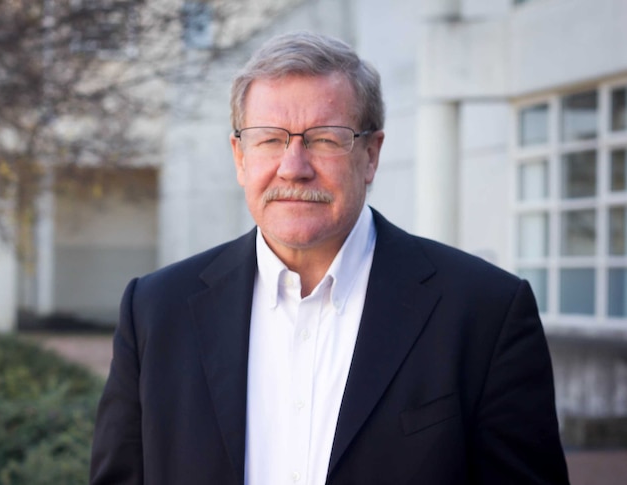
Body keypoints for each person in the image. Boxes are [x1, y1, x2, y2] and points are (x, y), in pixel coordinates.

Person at [90, 31, 569, 485]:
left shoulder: (484, 313)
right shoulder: (155, 310)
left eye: (324, 138)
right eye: (270, 139)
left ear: (371, 155)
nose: (294, 167)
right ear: (240, 156)